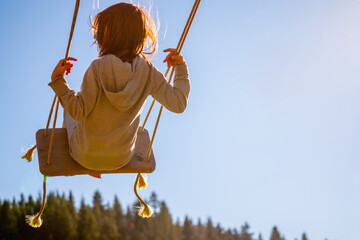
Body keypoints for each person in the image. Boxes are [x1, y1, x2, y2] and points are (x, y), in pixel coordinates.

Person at [49, 2, 190, 177]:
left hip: (83, 155)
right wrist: (180, 67)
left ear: (107, 38)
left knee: (69, 110)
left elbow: (78, 111)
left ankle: (90, 167)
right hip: (120, 158)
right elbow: (179, 104)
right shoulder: (148, 72)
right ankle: (97, 165)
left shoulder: (97, 68)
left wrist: (58, 81)